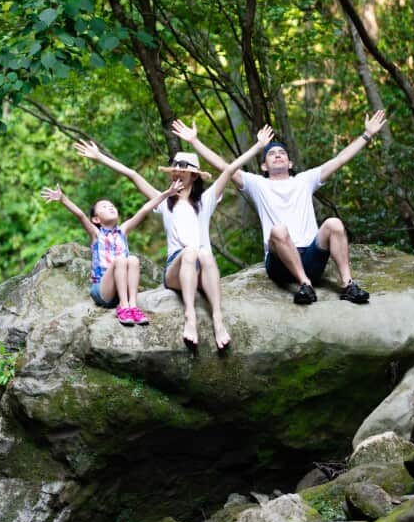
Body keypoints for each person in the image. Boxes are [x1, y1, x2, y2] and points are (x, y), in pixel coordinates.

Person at [75, 125, 273, 350]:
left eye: (183, 169)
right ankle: (190, 317)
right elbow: (132, 175)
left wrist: (258, 146)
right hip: (175, 270)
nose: (176, 171)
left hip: (201, 266)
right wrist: (100, 157)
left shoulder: (205, 201)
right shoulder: (164, 202)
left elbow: (229, 170)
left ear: (193, 176)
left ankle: (218, 320)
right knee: (190, 252)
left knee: (205, 254)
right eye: (174, 169)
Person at [171, 111, 387, 305]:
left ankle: (347, 284)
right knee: (279, 230)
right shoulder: (257, 184)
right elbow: (224, 167)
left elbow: (340, 160)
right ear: (264, 166)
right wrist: (194, 141)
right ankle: (305, 284)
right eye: (271, 154)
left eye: (281, 153)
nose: (277, 155)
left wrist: (367, 135)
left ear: (290, 163)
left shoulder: (305, 180)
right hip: (279, 263)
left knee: (334, 224)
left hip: (311, 256)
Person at [41, 179, 182, 326]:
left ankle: (132, 306)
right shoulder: (96, 233)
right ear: (96, 219)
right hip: (103, 290)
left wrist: (168, 193)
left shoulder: (123, 230)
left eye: (112, 206)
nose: (110, 207)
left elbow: (145, 209)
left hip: (123, 288)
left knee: (133, 259)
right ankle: (123, 306)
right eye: (104, 207)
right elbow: (81, 215)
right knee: (121, 260)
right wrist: (63, 199)